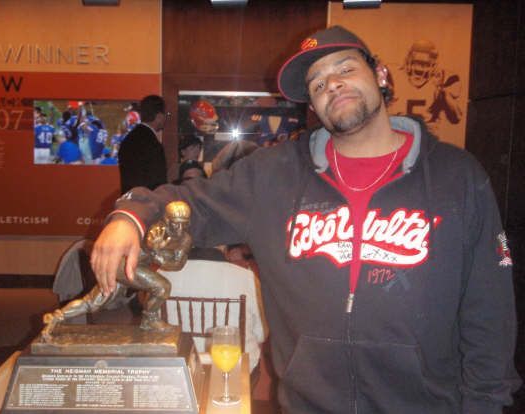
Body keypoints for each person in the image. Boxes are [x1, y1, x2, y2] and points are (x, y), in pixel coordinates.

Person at [90, 26, 520, 413]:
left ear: (381, 75)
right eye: (317, 84)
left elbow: (489, 313)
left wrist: (485, 404)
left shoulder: (456, 177)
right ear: (313, 104)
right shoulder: (273, 175)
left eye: (345, 69)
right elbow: (191, 203)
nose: (332, 84)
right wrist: (131, 215)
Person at [42, 201, 191, 339]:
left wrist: (158, 255)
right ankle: (149, 319)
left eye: (183, 224)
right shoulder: (157, 231)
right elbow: (150, 246)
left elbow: (177, 264)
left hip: (132, 266)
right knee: (162, 287)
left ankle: (55, 318)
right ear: (166, 220)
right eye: (175, 223)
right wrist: (157, 253)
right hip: (126, 265)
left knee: (93, 303)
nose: (179, 229)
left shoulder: (185, 239)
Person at [118, 95, 168, 194]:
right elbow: (158, 183)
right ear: (159, 116)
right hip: (147, 199)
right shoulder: (153, 144)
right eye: (166, 114)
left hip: (128, 198)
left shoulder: (128, 139)